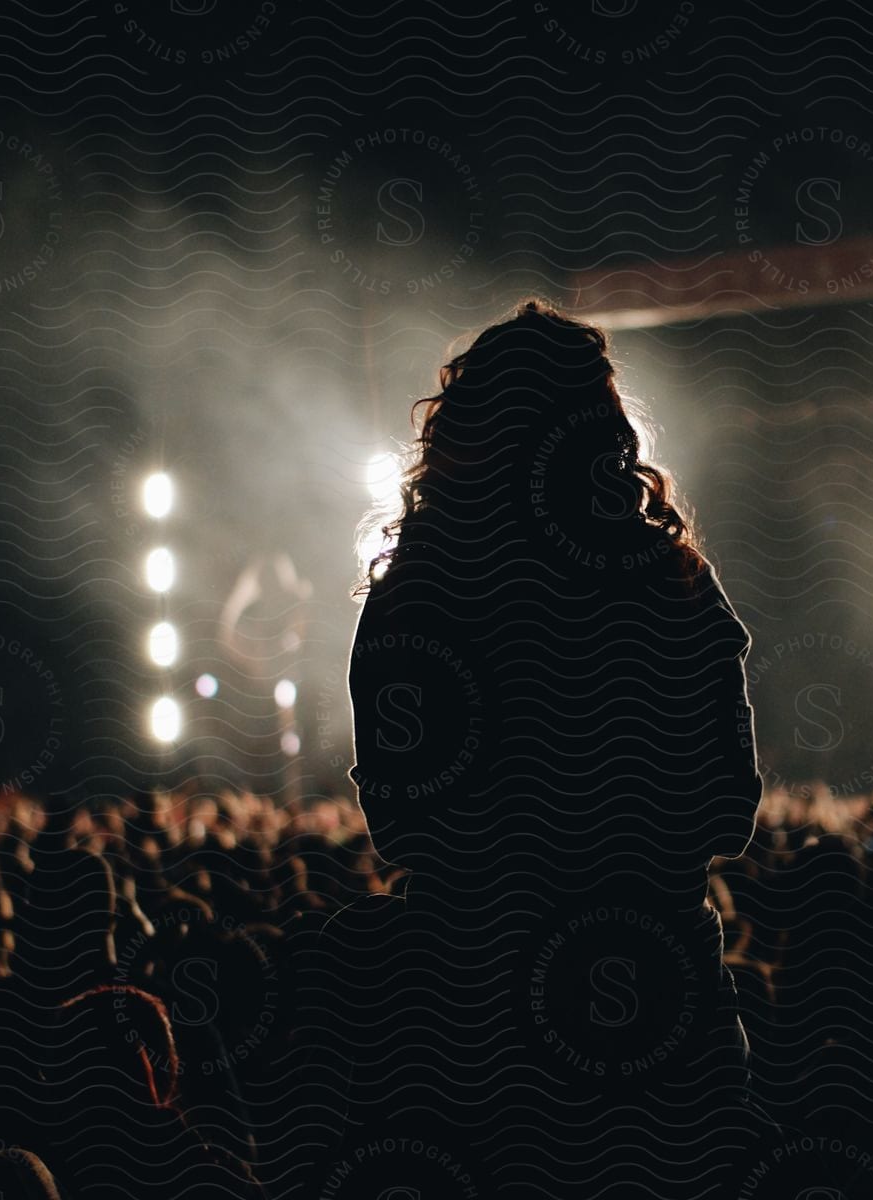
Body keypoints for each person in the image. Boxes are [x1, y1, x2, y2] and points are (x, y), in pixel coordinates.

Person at [278, 299, 764, 1199]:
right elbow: (727, 811)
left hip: (471, 1043)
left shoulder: (416, 598)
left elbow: (397, 824)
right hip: (661, 1035)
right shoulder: (676, 588)